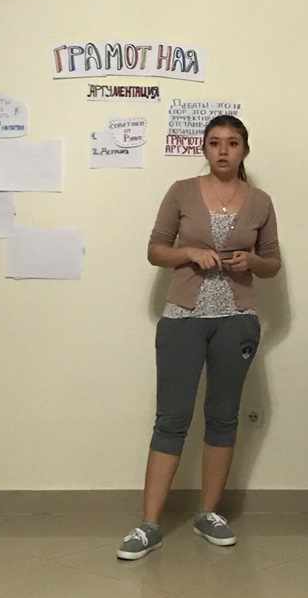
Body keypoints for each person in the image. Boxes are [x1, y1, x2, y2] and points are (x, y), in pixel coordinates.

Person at [116, 115, 281, 560]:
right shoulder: (181, 191)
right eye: (215, 143)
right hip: (183, 318)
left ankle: (209, 514)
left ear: (245, 150)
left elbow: (272, 263)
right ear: (204, 149)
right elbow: (155, 250)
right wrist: (188, 252)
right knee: (171, 419)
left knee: (223, 417)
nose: (223, 150)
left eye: (233, 143)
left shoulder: (261, 201)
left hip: (237, 320)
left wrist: (252, 262)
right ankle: (149, 524)